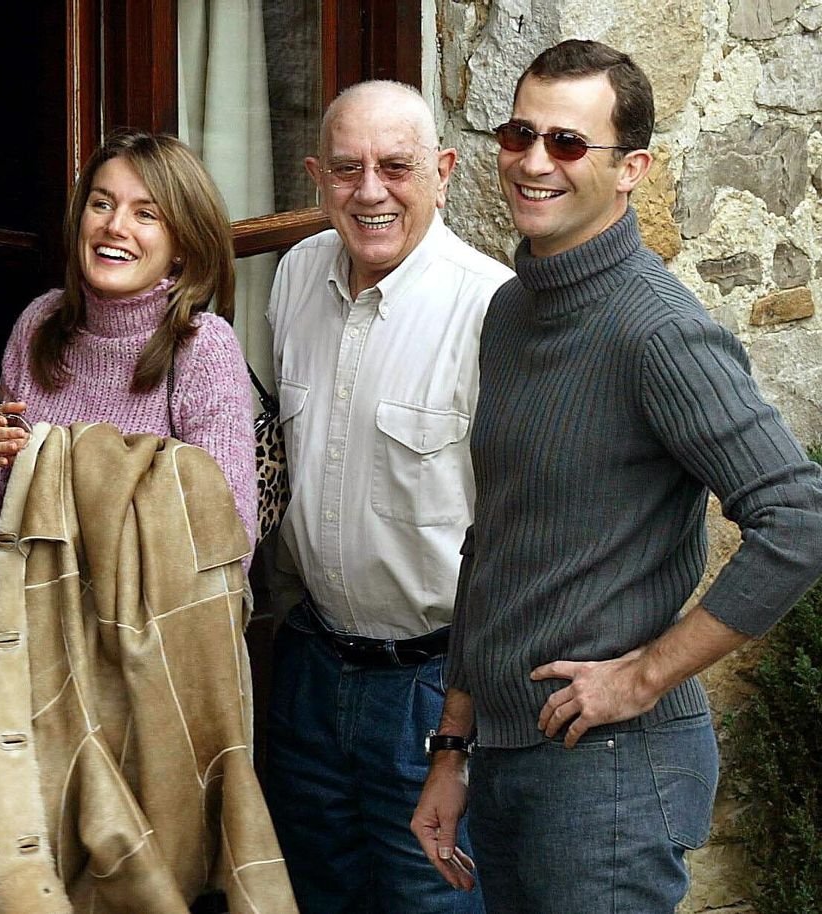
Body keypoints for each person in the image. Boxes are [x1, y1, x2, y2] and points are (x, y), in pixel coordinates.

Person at [413, 40, 822, 914]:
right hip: (515, 759)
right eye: (520, 133)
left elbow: (800, 519)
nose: (532, 162)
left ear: (632, 168)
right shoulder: (512, 310)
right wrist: (453, 744)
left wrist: (641, 677)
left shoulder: (658, 331)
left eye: (567, 143)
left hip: (611, 775)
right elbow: (498, 541)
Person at [264, 80, 513, 914]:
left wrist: (460, 732)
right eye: (346, 168)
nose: (369, 190)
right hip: (309, 669)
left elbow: (514, 537)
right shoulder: (295, 276)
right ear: (316, 175)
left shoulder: (492, 311)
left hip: (431, 693)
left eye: (396, 166)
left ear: (442, 170)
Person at [0, 130, 256, 557]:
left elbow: (231, 540)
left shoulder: (201, 348)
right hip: (29, 618)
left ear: (182, 246)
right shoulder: (40, 323)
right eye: (102, 204)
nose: (115, 227)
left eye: (146, 215)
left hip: (142, 621)